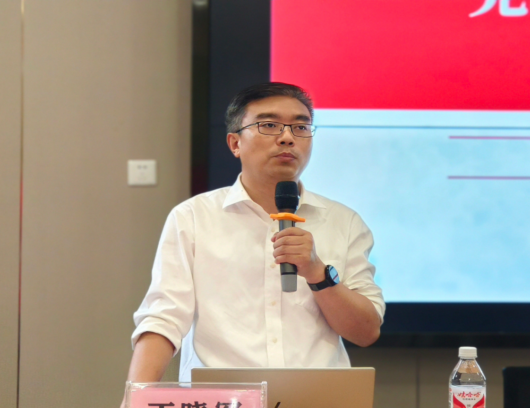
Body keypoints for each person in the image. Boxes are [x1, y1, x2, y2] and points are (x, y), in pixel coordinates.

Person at [125, 83, 385, 385]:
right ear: (235, 143)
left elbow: (366, 332)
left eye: (301, 127)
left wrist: (317, 272)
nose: (287, 137)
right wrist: (135, 397)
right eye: (269, 125)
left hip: (315, 397)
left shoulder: (344, 222)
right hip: (222, 398)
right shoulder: (193, 217)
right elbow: (163, 319)